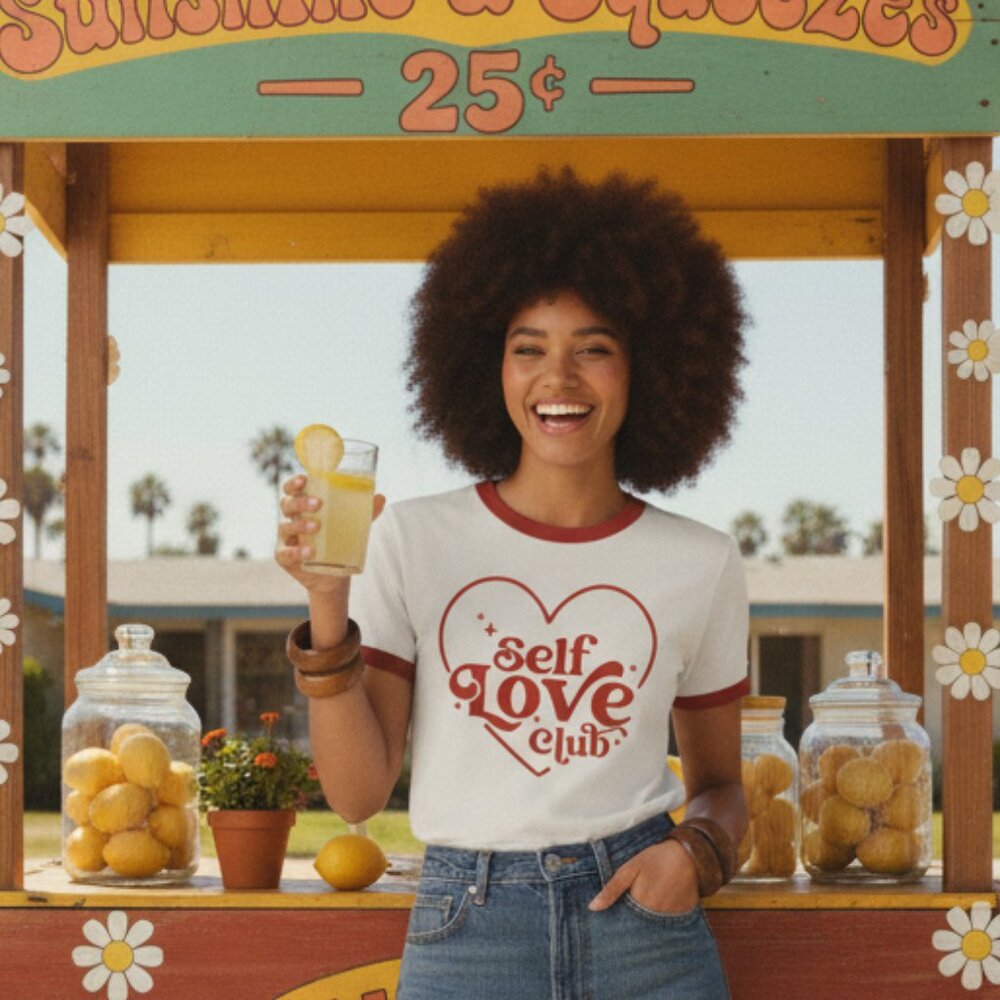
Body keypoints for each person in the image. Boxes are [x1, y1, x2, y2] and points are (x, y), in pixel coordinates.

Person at [276, 168, 750, 999]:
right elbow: (355, 794)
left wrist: (692, 857)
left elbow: (721, 790)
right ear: (484, 366)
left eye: (593, 349)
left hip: (649, 935)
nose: (557, 378)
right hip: (468, 932)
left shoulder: (701, 562)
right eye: (527, 347)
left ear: (651, 367)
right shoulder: (412, 538)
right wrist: (326, 602)